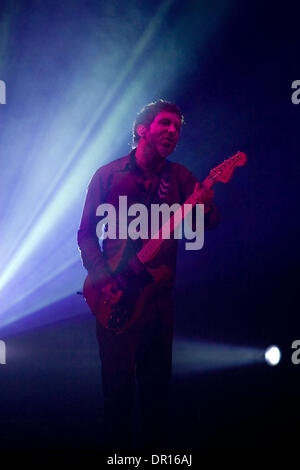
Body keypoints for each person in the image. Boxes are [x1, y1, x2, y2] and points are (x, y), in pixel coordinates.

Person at [77, 99, 220, 450]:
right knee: (117, 395)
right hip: (114, 299)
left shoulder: (181, 177)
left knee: (156, 397)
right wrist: (101, 278)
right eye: (165, 124)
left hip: (157, 303)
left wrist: (204, 206)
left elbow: (209, 222)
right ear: (143, 129)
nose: (173, 131)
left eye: (177, 127)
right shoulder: (107, 176)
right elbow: (85, 233)